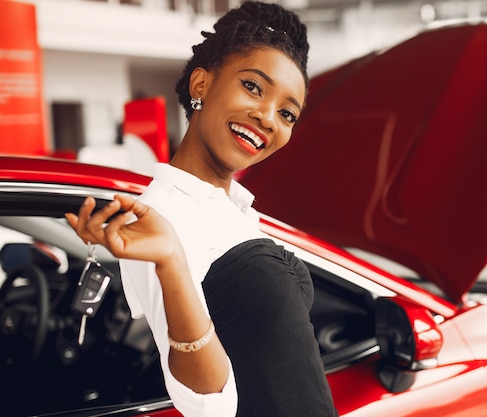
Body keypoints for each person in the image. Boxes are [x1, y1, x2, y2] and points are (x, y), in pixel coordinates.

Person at [66, 2, 338, 417]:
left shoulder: (236, 209)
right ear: (201, 85)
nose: (267, 118)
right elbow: (208, 405)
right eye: (253, 87)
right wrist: (171, 261)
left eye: (287, 113)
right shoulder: (159, 218)